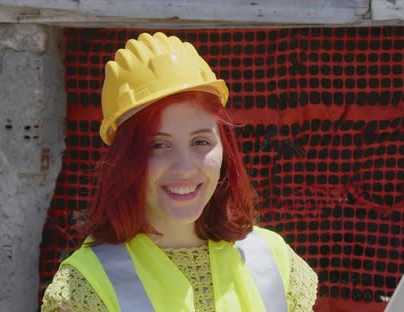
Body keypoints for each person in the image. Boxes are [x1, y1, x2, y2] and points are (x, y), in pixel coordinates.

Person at [41, 32, 318, 312]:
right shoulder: (85, 288)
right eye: (159, 145)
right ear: (124, 160)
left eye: (201, 142)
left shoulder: (276, 261)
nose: (185, 168)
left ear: (225, 149)